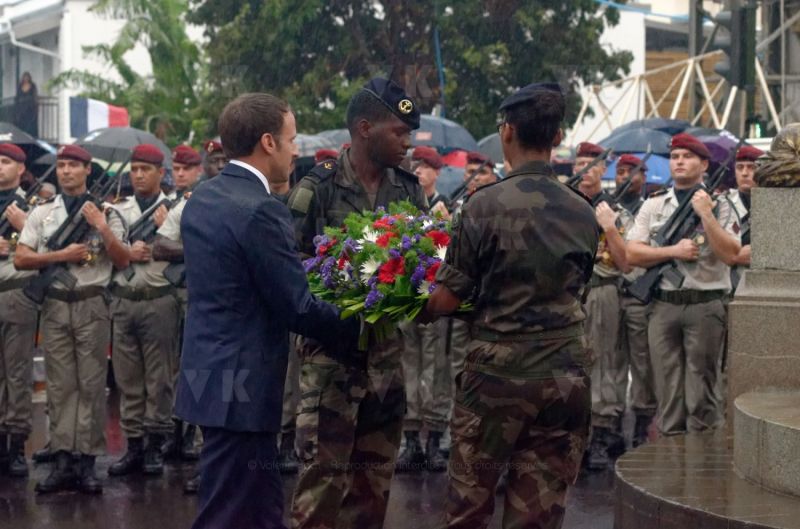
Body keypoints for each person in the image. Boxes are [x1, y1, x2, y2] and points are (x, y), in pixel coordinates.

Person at [174, 93, 359, 529]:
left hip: (209, 379)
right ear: (268, 142)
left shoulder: (203, 197)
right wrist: (363, 322)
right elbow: (296, 305)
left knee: (251, 509)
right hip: (243, 388)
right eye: (292, 138)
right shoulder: (261, 210)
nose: (298, 149)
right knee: (235, 513)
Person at [426, 82, 599, 529]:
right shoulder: (583, 210)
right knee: (539, 511)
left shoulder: (482, 206)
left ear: (506, 132)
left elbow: (447, 298)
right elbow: (578, 288)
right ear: (557, 137)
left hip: (496, 378)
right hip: (565, 373)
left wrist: (408, 300)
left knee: (469, 505)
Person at [287, 78, 428, 529]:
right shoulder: (317, 188)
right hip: (330, 360)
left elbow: (423, 261)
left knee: (372, 488)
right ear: (364, 128)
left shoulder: (408, 190)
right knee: (320, 487)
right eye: (399, 132)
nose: (407, 143)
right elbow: (289, 268)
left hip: (387, 361)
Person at [15, 144, 129, 494]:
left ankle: (87, 460)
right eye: (61, 165)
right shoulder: (43, 213)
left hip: (91, 304)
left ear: (87, 171)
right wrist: (60, 255)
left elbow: (123, 259)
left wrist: (101, 227)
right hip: (55, 304)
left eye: (73, 166)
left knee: (91, 384)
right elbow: (21, 258)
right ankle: (64, 458)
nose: (65, 171)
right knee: (61, 385)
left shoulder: (106, 212)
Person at [627, 133, 741, 435]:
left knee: (702, 389)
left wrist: (706, 215)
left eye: (687, 156)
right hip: (663, 305)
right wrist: (672, 251)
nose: (679, 162)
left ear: (704, 164)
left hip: (705, 304)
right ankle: (671, 453)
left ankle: (703, 457)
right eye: (675, 157)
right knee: (666, 387)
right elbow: (632, 253)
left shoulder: (721, 205)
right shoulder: (653, 206)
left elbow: (730, 253)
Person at [106, 144, 177, 478]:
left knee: (159, 377)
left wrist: (162, 243)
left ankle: (154, 446)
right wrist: (126, 250)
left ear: (160, 174)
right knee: (127, 379)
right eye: (134, 169)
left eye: (145, 169)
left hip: (159, 299)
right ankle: (133, 445)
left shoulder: (176, 209)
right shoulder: (119, 209)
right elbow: (114, 253)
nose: (138, 175)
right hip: (123, 300)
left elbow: (189, 248)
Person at [572, 141, 631, 470]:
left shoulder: (614, 210)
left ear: (602, 170)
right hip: (570, 292)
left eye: (590, 163)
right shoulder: (565, 204)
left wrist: (608, 226)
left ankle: (603, 432)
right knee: (573, 365)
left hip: (602, 290)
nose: (583, 168)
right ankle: (576, 433)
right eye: (578, 162)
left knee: (606, 361)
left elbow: (624, 262)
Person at [0, 143, 37, 478]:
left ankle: (16, 444)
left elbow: (48, 247)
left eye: (6, 161)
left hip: (15, 294)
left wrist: (13, 242)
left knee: (17, 373)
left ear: (21, 169)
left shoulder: (33, 206)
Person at [615, 154, 657, 448]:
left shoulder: (652, 209)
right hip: (610, 291)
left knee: (643, 363)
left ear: (643, 175)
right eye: (620, 172)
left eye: (631, 171)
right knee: (610, 362)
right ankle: (610, 426)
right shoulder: (607, 208)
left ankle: (642, 424)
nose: (625, 177)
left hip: (642, 294)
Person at [726, 145, 763, 279]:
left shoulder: (776, 203)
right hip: (728, 282)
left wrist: (759, 254)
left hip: (765, 281)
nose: (745, 173)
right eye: (740, 167)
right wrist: (734, 256)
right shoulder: (722, 203)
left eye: (751, 167)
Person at [14, 72, 38, 138]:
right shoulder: (20, 86)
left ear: (29, 78)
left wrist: (34, 105)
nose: (26, 78)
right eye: (25, 77)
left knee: (30, 123)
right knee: (22, 123)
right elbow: (17, 96)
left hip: (30, 108)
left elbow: (34, 96)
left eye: (27, 77)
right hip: (22, 108)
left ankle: (31, 136)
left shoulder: (32, 86)